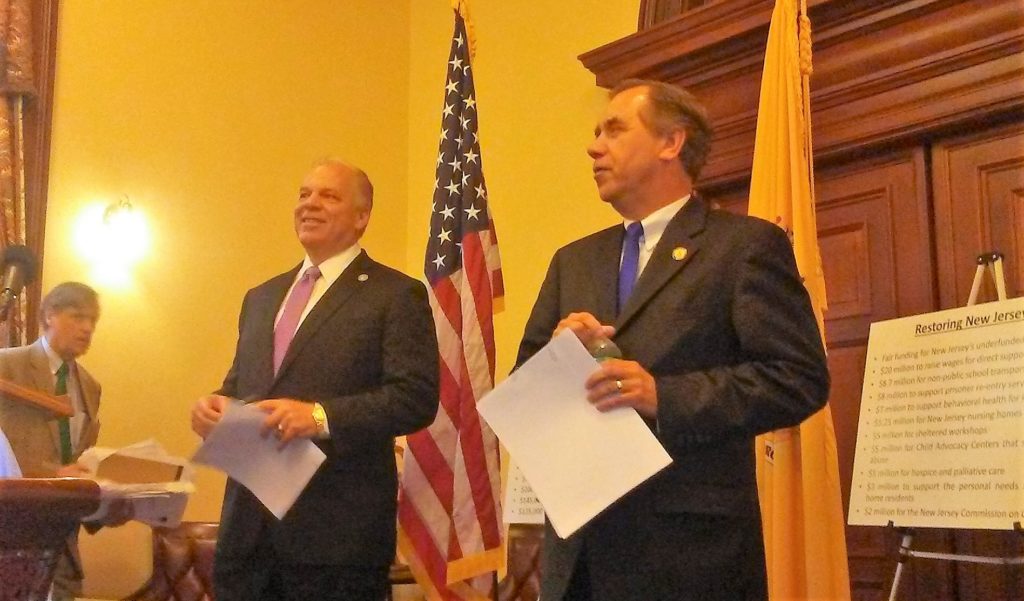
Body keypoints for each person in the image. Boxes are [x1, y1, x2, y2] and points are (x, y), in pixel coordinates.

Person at [515, 79, 830, 601]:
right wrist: (558, 354)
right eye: (596, 133)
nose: (594, 147)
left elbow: (798, 379)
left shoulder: (743, 247)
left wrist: (665, 396)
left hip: (690, 557)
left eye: (614, 130)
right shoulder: (573, 260)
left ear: (671, 143)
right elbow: (523, 388)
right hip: (580, 558)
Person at [191, 159, 439, 601]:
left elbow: (415, 398)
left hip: (335, 543)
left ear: (362, 217)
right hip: (246, 537)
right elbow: (242, 385)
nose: (310, 204)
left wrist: (320, 416)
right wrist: (216, 405)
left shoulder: (395, 295)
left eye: (329, 195)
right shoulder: (261, 297)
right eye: (304, 194)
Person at [0, 281, 103, 600]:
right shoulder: (7, 366)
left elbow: (77, 458)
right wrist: (49, 476)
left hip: (63, 543)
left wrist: (100, 498)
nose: (86, 328)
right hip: (11, 536)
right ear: (48, 316)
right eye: (77, 316)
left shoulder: (90, 386)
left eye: (92, 321)